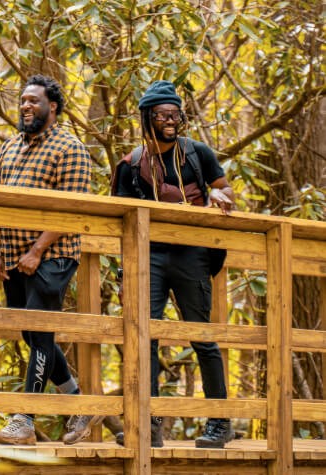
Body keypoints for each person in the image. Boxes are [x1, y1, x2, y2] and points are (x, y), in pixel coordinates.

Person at [111, 80, 235, 449]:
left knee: (204, 337)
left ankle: (220, 423)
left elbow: (227, 192)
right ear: (148, 117)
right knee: (145, 337)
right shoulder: (131, 164)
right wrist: (122, 273)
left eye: (175, 114)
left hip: (191, 254)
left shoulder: (197, 153)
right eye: (162, 114)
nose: (170, 120)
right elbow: (118, 223)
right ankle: (149, 425)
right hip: (148, 256)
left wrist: (217, 194)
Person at [0, 75, 96, 446]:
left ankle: (25, 418)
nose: (26, 106)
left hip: (54, 255)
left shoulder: (70, 148)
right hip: (15, 257)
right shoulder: (9, 148)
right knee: (32, 333)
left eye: (34, 100)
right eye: (23, 101)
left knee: (39, 330)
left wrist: (37, 251)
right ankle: (79, 404)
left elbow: (72, 210)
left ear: (53, 106)